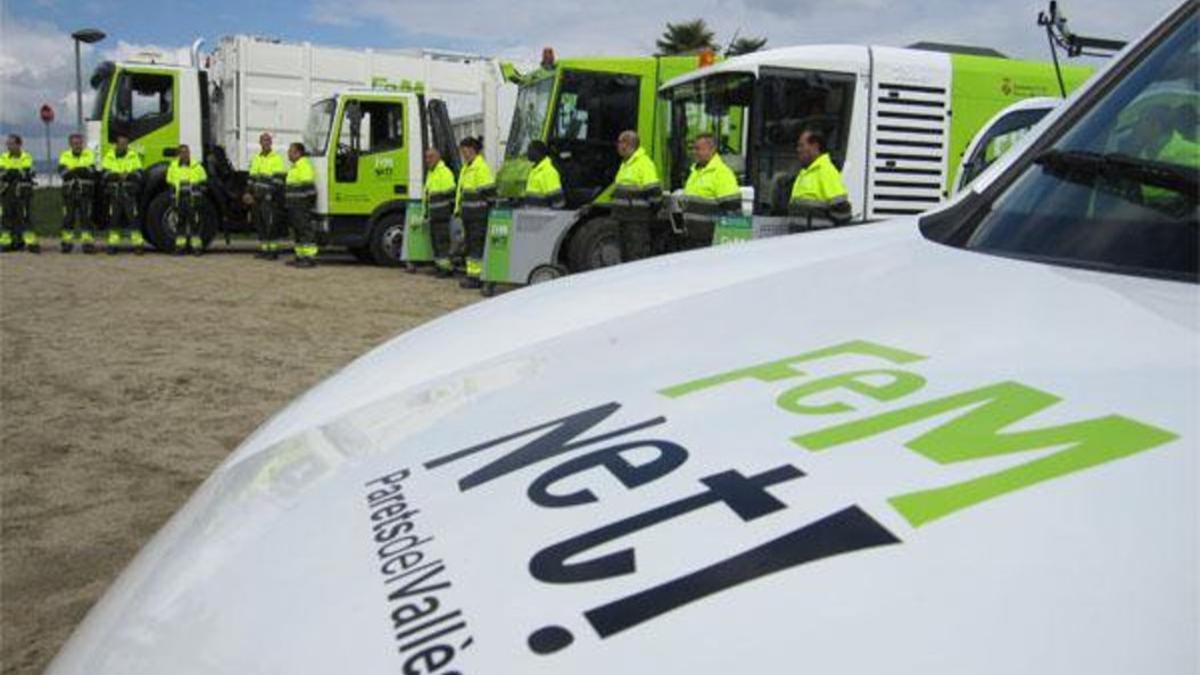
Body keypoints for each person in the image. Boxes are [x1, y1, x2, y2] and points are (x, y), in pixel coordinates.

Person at [680, 133, 741, 248]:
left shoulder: (722, 173)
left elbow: (733, 208)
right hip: (691, 236)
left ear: (712, 149)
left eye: (698, 149)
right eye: (694, 149)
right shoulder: (695, 171)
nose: (695, 152)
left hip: (710, 239)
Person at [611, 130, 662, 262]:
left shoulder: (644, 164)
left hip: (636, 221)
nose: (618, 146)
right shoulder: (626, 163)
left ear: (629, 144)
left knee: (636, 256)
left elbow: (654, 193)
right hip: (624, 219)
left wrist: (646, 212)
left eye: (620, 142)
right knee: (626, 256)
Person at [454, 136, 495, 288]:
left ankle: (475, 277)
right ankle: (473, 274)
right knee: (471, 245)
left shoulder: (480, 168)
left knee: (476, 245)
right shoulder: (467, 168)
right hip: (469, 215)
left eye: (464, 151)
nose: (463, 154)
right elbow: (462, 192)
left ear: (471, 150)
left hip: (478, 215)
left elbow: (489, 192)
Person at [790, 129, 851, 227]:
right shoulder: (804, 172)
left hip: (817, 239)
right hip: (801, 239)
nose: (798, 149)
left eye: (802, 145)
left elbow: (842, 212)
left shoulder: (826, 171)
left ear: (815, 146)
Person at [101, 133, 145, 254]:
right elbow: (104, 175)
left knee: (133, 219)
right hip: (114, 193)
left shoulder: (133, 156)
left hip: (129, 193)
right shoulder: (109, 157)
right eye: (120, 143)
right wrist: (117, 176)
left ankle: (138, 244)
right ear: (116, 144)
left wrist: (128, 175)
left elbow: (140, 174)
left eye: (125, 144)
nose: (123, 146)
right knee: (114, 219)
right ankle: (113, 244)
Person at [245, 132, 287, 260]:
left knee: (270, 224)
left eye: (268, 140)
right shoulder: (256, 158)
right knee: (260, 223)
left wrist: (270, 194)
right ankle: (264, 250)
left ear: (271, 143)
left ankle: (273, 251)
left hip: (269, 198)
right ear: (260, 143)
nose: (265, 143)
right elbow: (251, 178)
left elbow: (278, 181)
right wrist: (248, 192)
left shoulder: (277, 159)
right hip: (257, 197)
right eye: (263, 140)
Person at [58, 133, 97, 254]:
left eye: (79, 143)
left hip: (85, 192)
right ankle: (66, 243)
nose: (77, 146)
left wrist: (74, 170)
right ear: (70, 144)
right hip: (69, 193)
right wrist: (80, 170)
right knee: (68, 218)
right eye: (75, 143)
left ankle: (87, 243)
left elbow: (91, 171)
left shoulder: (89, 154)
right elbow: (63, 173)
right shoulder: (65, 155)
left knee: (86, 218)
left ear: (83, 144)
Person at [166, 144, 208, 256]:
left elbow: (204, 182)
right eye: (182, 152)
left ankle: (196, 247)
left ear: (189, 153)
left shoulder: (197, 166)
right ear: (178, 154)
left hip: (193, 199)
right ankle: (180, 246)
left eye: (186, 152)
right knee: (180, 222)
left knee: (194, 222)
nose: (184, 154)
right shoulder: (173, 167)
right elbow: (169, 182)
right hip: (179, 198)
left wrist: (198, 190)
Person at [0, 134, 37, 253]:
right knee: (6, 216)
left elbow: (27, 172)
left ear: (18, 144)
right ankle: (7, 242)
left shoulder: (26, 157)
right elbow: (2, 173)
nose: (9, 146)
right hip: (7, 192)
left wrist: (11, 173)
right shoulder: (4, 157)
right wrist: (15, 173)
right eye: (8, 144)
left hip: (22, 192)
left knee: (24, 216)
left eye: (11, 144)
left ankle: (29, 242)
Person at [423, 147, 457, 277]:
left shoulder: (444, 172)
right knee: (436, 243)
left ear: (438, 157)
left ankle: (447, 269)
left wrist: (449, 212)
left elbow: (451, 195)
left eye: (430, 157)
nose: (428, 160)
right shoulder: (432, 173)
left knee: (442, 243)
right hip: (434, 215)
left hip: (442, 215)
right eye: (426, 157)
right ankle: (440, 266)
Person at [284, 142, 318, 268]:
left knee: (305, 230)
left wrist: (306, 205)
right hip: (294, 205)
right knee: (297, 232)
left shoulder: (303, 165)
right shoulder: (295, 166)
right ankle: (300, 256)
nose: (288, 153)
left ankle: (309, 258)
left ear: (298, 153)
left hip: (301, 205)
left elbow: (309, 187)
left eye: (291, 151)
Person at [523, 140, 564, 208]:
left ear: (538, 152)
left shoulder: (549, 172)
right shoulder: (534, 170)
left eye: (530, 150)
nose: (527, 153)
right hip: (532, 215)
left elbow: (558, 202)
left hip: (543, 217)